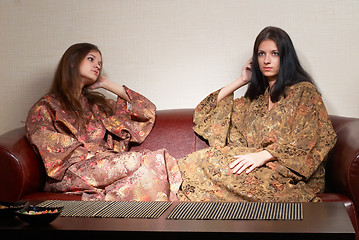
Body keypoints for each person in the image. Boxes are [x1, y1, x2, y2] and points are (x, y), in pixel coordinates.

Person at [177, 26, 337, 202]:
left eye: (274, 53)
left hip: (294, 177)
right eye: (261, 54)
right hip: (260, 170)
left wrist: (263, 155)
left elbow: (310, 139)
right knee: (200, 161)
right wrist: (242, 80)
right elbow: (205, 111)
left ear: (286, 57)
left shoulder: (304, 92)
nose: (267, 60)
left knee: (206, 163)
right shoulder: (256, 102)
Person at [25, 43, 182, 201]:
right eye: (91, 59)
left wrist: (106, 84)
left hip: (104, 165)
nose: (97, 66)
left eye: (99, 64)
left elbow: (146, 110)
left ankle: (122, 202)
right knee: (149, 159)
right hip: (71, 171)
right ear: (72, 61)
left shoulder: (98, 105)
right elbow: (41, 137)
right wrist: (90, 155)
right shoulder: (47, 105)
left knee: (160, 162)